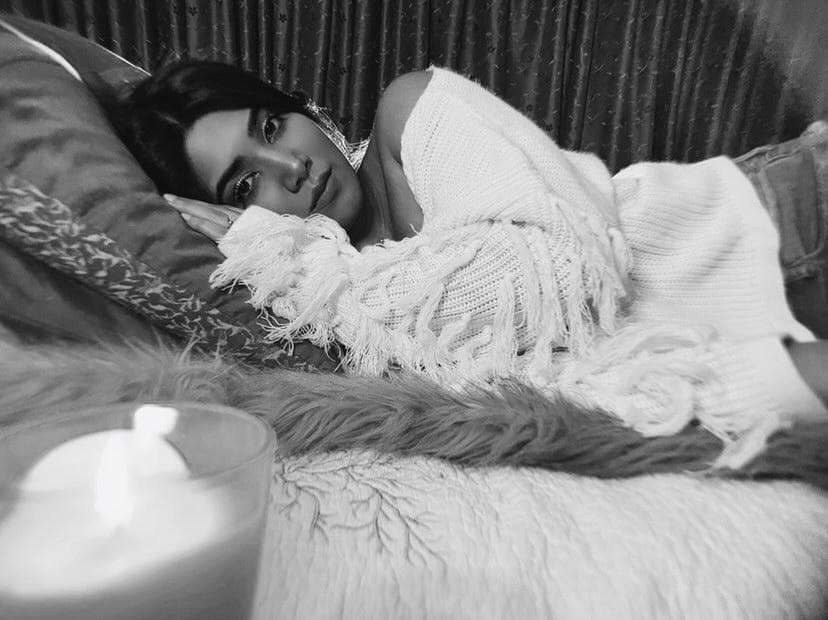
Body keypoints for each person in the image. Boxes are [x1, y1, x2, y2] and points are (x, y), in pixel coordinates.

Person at [112, 60, 828, 468]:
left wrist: (303, 269)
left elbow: (562, 274)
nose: (290, 165)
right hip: (725, 336)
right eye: (246, 185)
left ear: (302, 109)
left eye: (272, 126)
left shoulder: (410, 113)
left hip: (777, 218)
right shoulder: (341, 312)